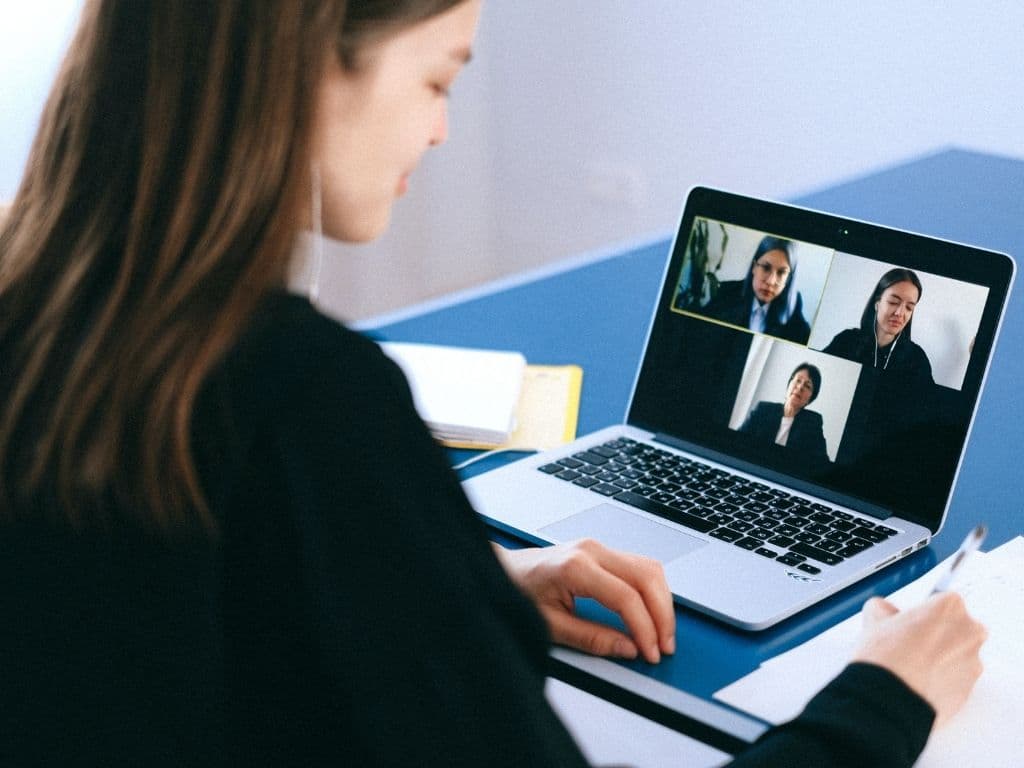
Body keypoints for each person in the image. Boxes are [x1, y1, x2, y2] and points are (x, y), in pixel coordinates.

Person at [0, 2, 986, 766]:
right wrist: (884, 696)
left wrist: (451, 581)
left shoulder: (43, 318)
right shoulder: (313, 402)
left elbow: (150, 602)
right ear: (303, 62)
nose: (437, 134)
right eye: (437, 81)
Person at [823, 267, 934, 384]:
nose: (900, 313)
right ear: (877, 303)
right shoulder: (846, 341)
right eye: (893, 302)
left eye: (909, 307)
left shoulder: (917, 358)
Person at [702, 236, 811, 343]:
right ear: (754, 267)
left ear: (789, 279)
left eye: (781, 273)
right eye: (766, 268)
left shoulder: (793, 306)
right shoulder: (727, 292)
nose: (771, 281)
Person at [740, 363, 829, 466]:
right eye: (798, 380)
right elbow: (738, 440)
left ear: (809, 399)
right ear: (789, 384)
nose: (800, 387)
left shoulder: (812, 422)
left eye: (807, 386)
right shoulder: (763, 409)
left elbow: (822, 463)